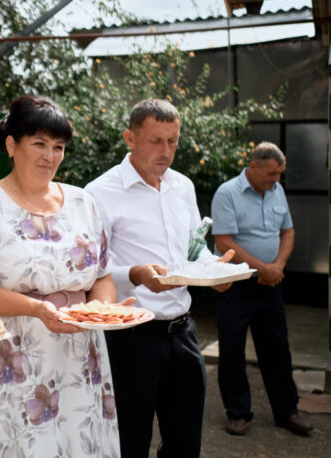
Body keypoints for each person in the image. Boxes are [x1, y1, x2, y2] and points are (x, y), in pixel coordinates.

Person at [0, 95, 122, 457]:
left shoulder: (82, 203)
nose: (50, 156)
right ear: (12, 145)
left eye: (58, 147)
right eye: (39, 144)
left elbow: (102, 278)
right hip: (7, 358)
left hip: (76, 356)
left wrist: (102, 312)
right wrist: (38, 310)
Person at [85, 98, 234, 458]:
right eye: (156, 141)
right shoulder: (98, 193)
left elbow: (193, 249)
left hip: (182, 333)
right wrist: (135, 275)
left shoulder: (182, 186)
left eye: (173, 140)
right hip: (129, 338)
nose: (166, 151)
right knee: (128, 444)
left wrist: (216, 268)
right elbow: (89, 270)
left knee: (185, 445)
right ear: (130, 139)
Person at [210, 141, 313, 437]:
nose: (276, 180)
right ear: (253, 166)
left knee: (277, 349)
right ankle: (238, 413)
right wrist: (261, 269)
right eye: (271, 174)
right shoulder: (227, 193)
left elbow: (288, 231)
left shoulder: (276, 190)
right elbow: (224, 242)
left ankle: (287, 410)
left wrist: (277, 266)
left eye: (280, 174)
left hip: (271, 284)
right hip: (237, 284)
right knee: (232, 351)